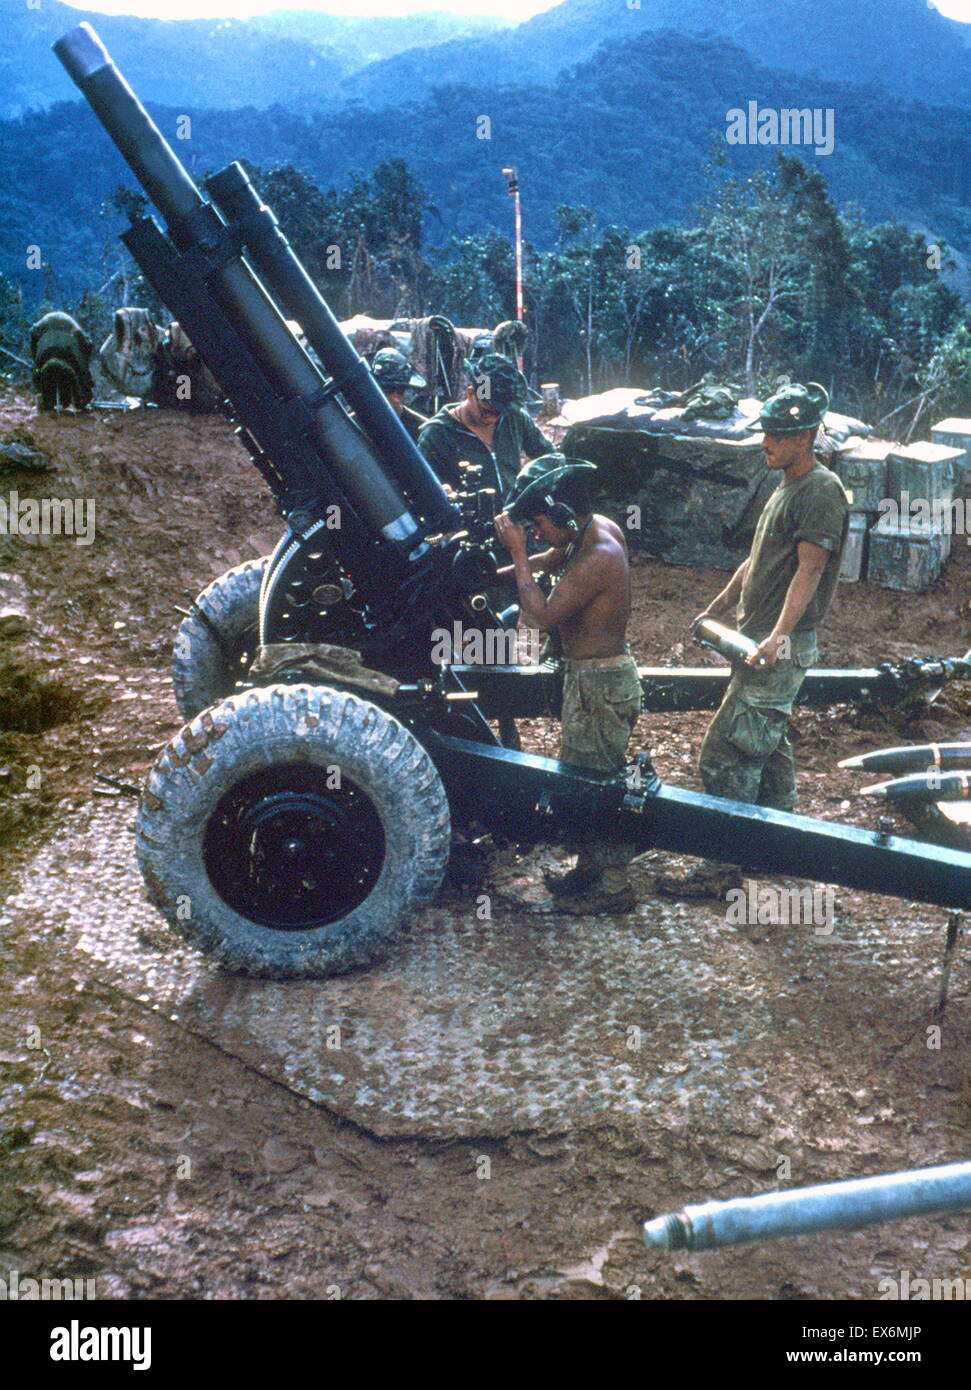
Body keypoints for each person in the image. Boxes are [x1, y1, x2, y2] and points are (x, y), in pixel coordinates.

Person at [657, 381, 850, 899]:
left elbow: (809, 572)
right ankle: (777, 848)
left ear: (807, 436)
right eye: (765, 430)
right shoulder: (786, 485)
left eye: (777, 433)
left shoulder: (821, 490)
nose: (765, 441)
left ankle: (720, 872)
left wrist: (777, 637)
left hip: (778, 648)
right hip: (760, 643)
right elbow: (756, 560)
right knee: (769, 746)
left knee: (726, 755)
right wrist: (720, 606)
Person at [495, 456, 642, 913]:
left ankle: (614, 888)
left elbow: (539, 617)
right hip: (593, 679)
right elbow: (555, 555)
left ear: (560, 512)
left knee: (597, 786)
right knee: (585, 778)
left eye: (537, 523)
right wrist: (499, 567)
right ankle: (591, 868)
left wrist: (518, 557)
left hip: (599, 684)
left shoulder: (598, 556)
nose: (535, 533)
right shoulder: (591, 529)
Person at [418, 353, 548, 501]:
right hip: (468, 520)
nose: (493, 419)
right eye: (486, 412)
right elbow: (427, 488)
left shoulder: (514, 418)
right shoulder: (437, 433)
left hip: (514, 517)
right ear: (471, 393)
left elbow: (546, 455)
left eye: (499, 414)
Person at [29, 310, 94, 412]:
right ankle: (82, 400)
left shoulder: (41, 326)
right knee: (83, 371)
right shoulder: (71, 324)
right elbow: (87, 344)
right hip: (66, 348)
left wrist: (36, 366)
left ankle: (43, 396)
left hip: (46, 349)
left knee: (37, 370)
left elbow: (33, 339)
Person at [370, 348, 428, 444]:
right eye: (388, 392)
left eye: (400, 391)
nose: (396, 399)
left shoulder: (423, 430)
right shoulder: (352, 425)